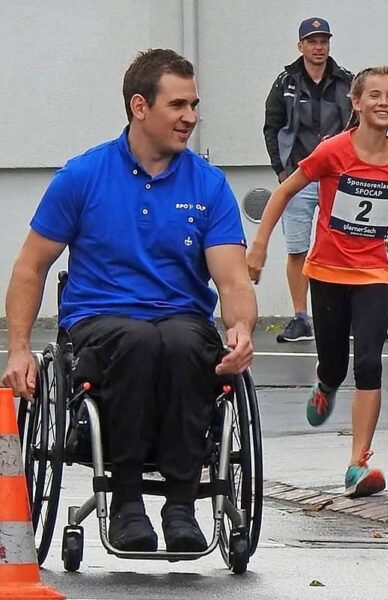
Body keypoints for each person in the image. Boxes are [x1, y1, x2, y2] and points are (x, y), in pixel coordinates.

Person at [2, 49, 256, 553]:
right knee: (139, 341)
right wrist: (18, 349)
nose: (191, 117)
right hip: (102, 321)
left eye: (194, 104)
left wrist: (243, 328)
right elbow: (31, 266)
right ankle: (126, 504)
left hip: (181, 318)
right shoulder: (83, 176)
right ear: (140, 107)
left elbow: (231, 280)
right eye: (178, 105)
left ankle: (182, 506)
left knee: (187, 343)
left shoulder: (208, 185)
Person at [248, 66, 388, 497]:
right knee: (334, 363)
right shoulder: (333, 151)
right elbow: (283, 192)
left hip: (373, 272)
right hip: (328, 272)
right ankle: (325, 384)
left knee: (369, 362)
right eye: (374, 95)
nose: (383, 102)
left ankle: (358, 462)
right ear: (356, 102)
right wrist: (259, 246)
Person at [263, 16, 353, 342]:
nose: (319, 47)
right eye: (312, 41)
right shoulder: (286, 81)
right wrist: (282, 171)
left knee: (344, 244)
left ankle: (349, 315)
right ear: (300, 45)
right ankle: (301, 318)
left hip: (338, 178)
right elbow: (271, 126)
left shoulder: (346, 81)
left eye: (324, 41)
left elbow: (359, 125)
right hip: (299, 176)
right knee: (298, 248)